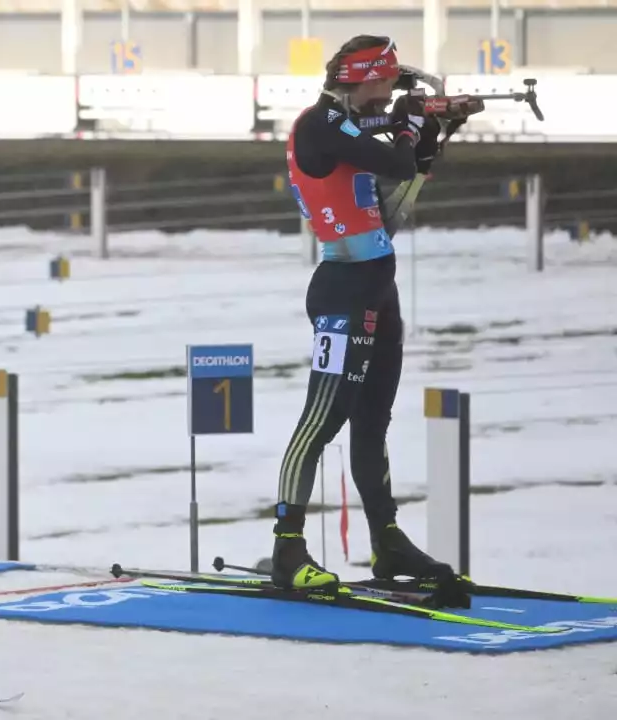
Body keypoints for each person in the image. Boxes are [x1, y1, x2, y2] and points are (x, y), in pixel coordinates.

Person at [271, 36, 456, 590]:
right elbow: (397, 156)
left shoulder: (351, 123)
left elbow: (412, 165)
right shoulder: (322, 124)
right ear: (369, 80)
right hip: (343, 290)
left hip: (377, 285)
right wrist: (407, 122)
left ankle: (388, 541)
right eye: (390, 84)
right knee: (321, 421)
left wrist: (426, 124)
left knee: (373, 422)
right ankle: (287, 548)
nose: (391, 93)